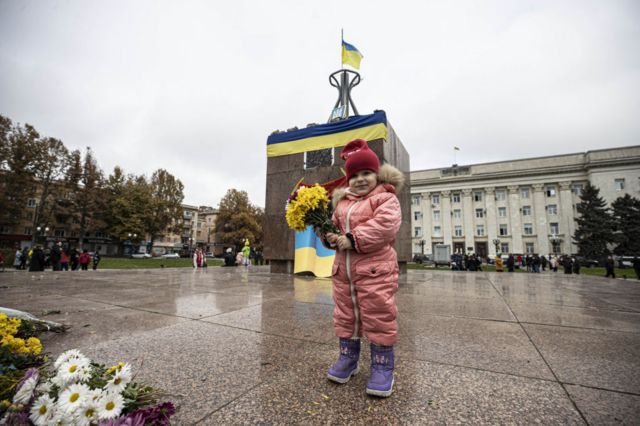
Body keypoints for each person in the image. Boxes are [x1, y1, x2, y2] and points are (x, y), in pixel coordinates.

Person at [321, 139, 403, 398]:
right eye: (354, 175)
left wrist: (353, 239)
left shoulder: (385, 199)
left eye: (366, 173)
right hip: (343, 274)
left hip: (375, 272)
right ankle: (348, 358)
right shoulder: (342, 203)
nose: (360, 179)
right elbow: (331, 227)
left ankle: (382, 365)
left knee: (378, 314)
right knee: (346, 316)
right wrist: (329, 236)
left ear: (376, 174)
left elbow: (385, 226)